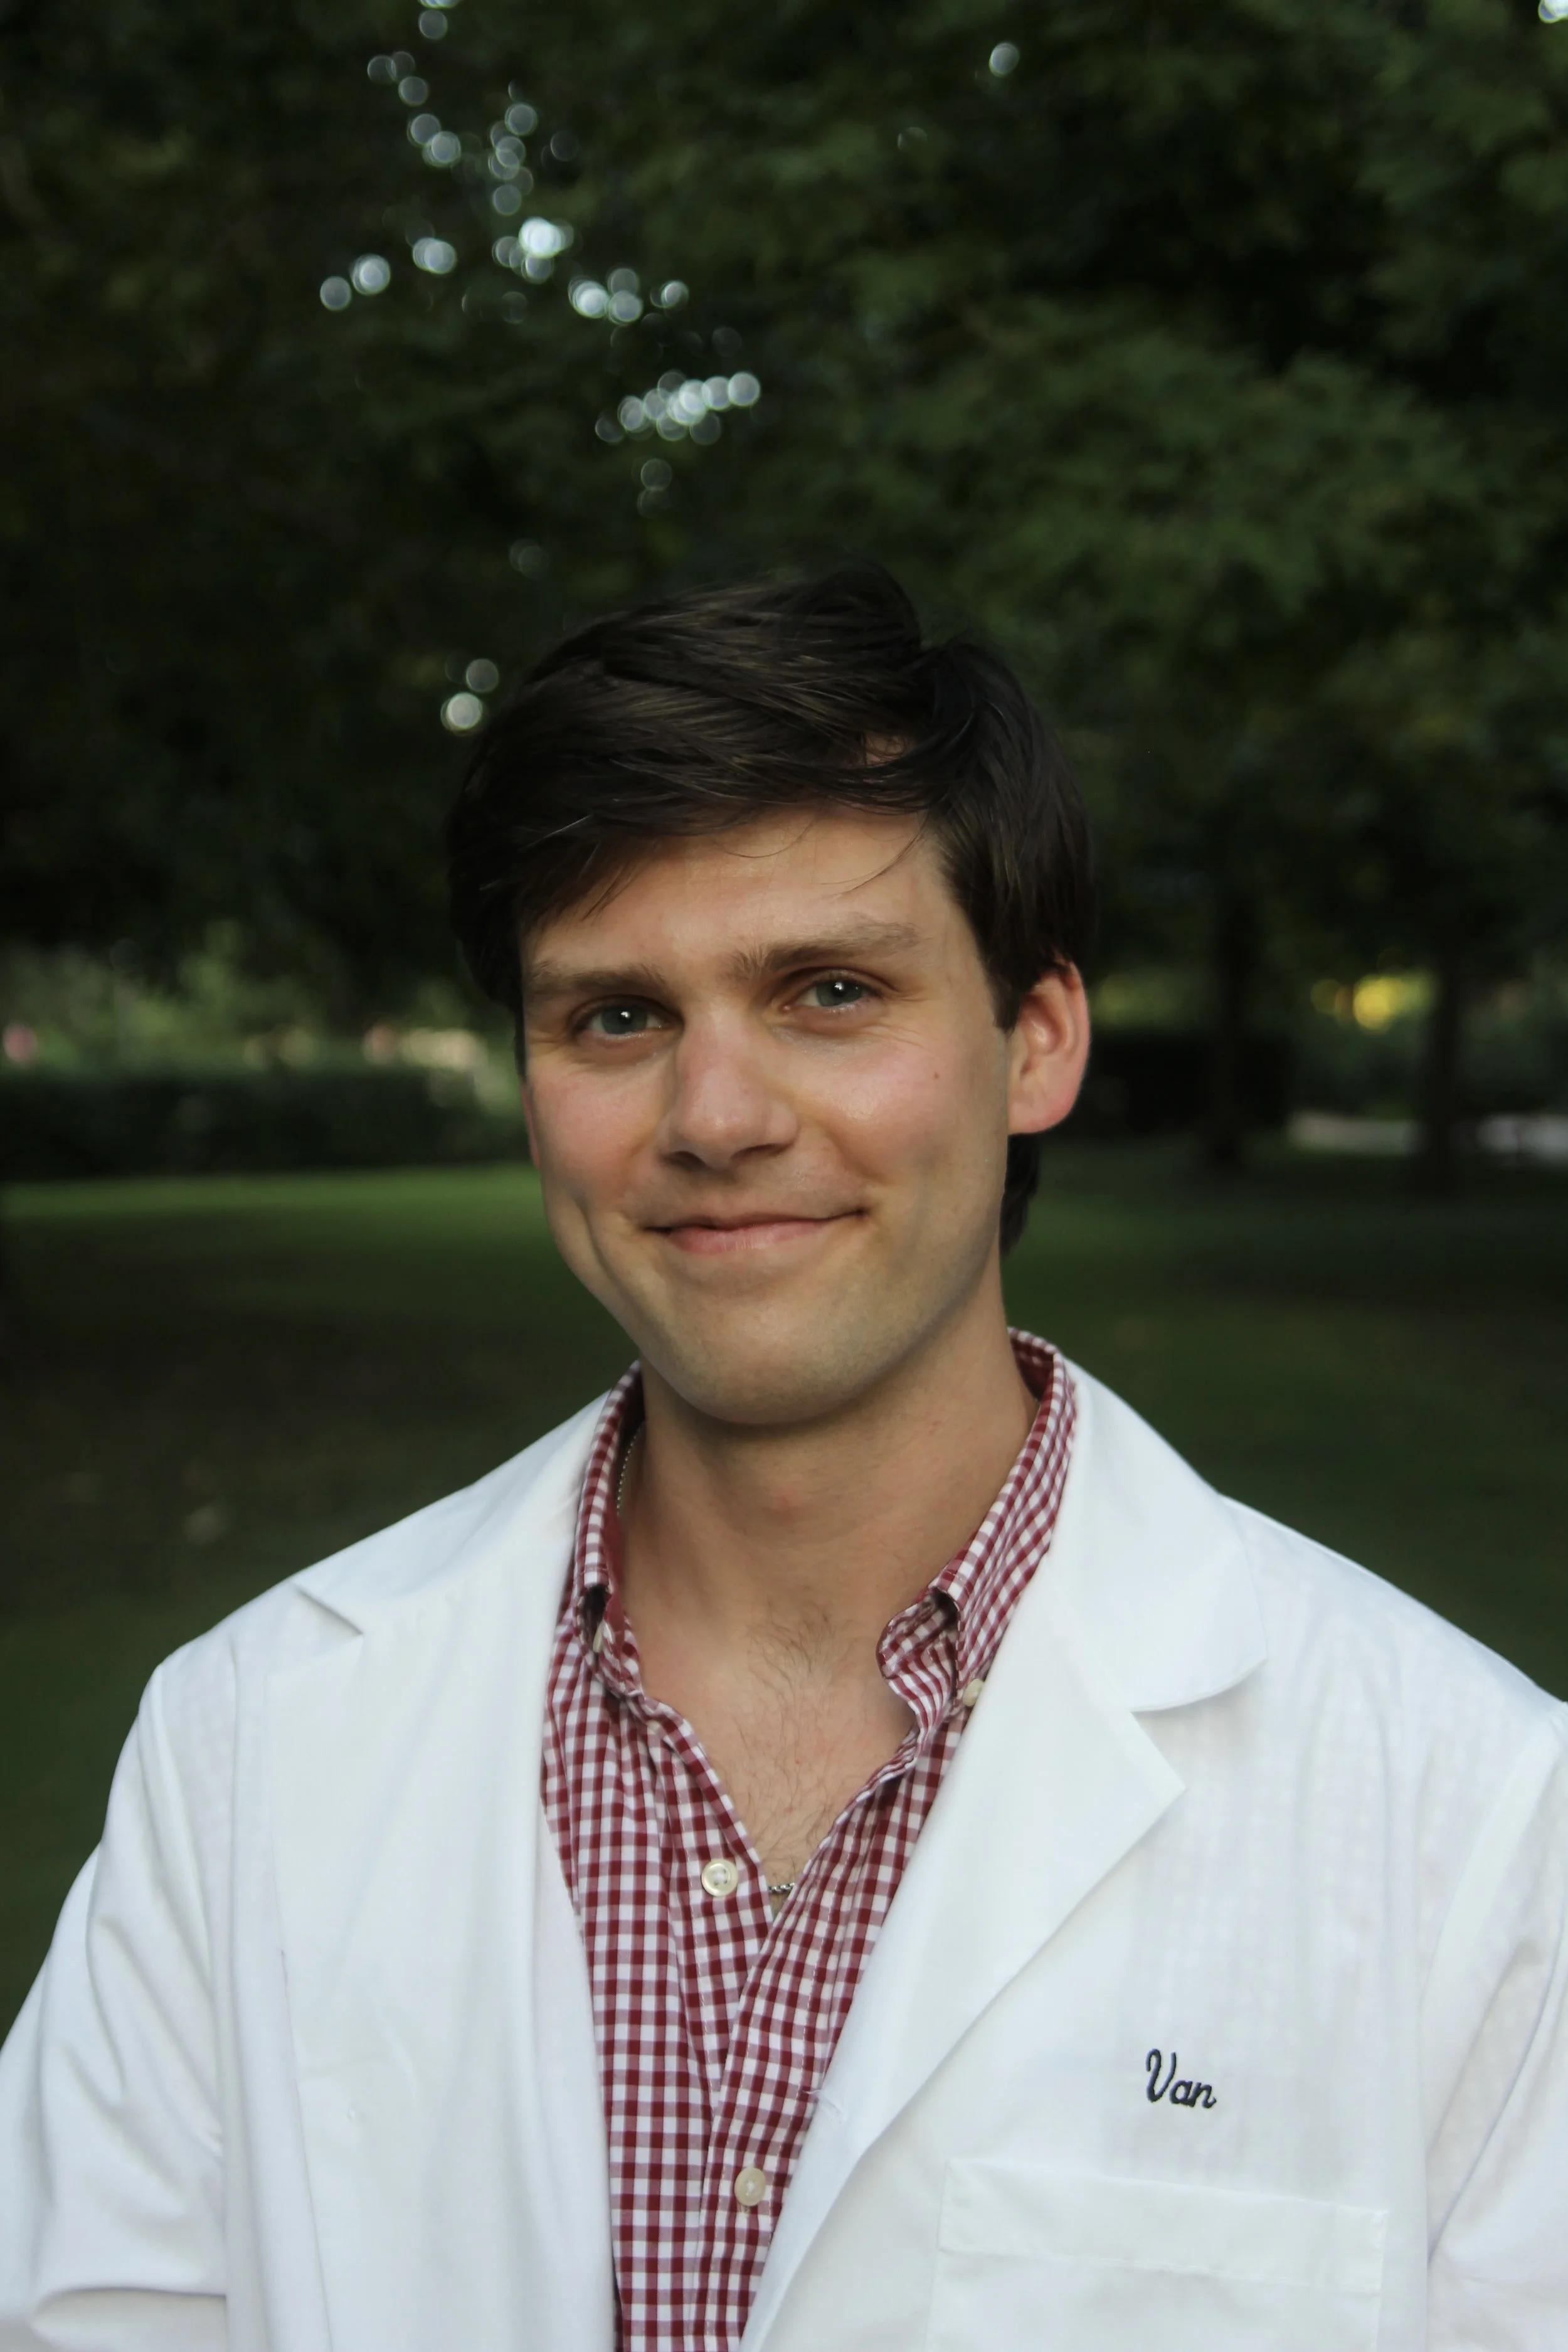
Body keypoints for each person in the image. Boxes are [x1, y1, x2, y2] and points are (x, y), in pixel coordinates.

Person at [1, 570, 1564, 2352]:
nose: (716, 1117)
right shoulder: (247, 1744)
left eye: (826, 988)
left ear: (1034, 1037)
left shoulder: (1471, 1814)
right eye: (614, 1016)